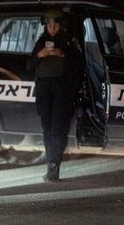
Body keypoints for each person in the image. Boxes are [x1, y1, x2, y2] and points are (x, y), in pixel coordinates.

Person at [26, 9, 83, 183]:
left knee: (58, 128)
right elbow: (29, 65)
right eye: (49, 25)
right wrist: (39, 55)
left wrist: (63, 54)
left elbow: (80, 64)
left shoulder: (68, 42)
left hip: (62, 88)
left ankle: (54, 165)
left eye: (56, 25)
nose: (52, 28)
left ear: (61, 26)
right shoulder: (41, 41)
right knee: (47, 128)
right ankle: (51, 161)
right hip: (44, 88)